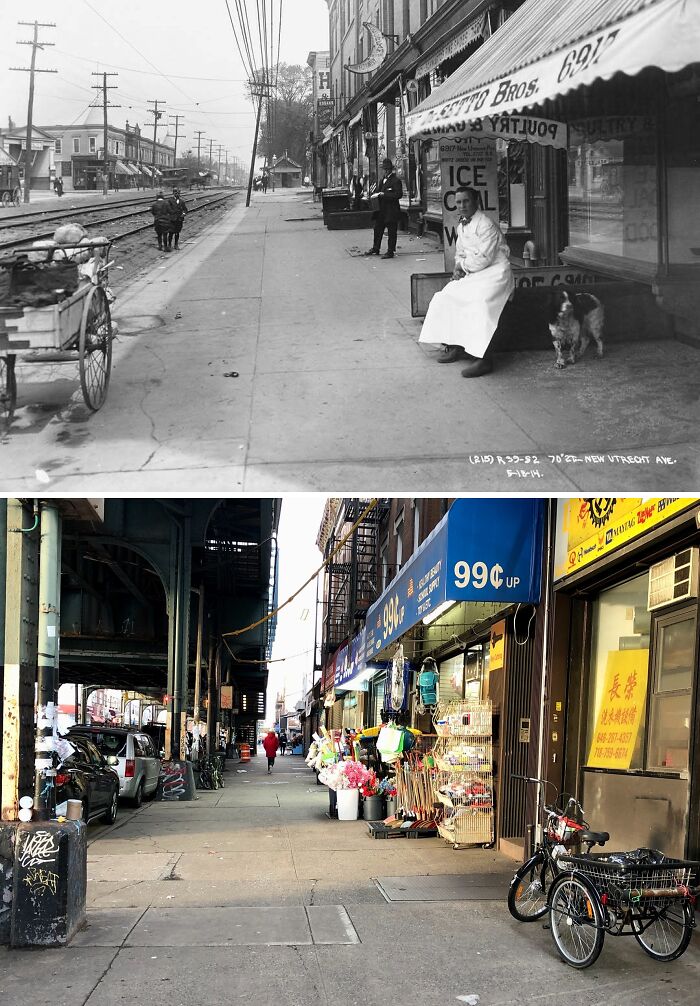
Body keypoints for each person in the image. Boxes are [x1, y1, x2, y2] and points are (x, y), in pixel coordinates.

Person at [418, 186, 514, 377]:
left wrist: (462, 267)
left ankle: (484, 359)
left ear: (476, 202)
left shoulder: (486, 224)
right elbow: (460, 252)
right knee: (445, 297)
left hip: (495, 273)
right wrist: (457, 269)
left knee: (481, 304)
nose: (462, 206)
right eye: (459, 202)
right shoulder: (462, 225)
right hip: (475, 273)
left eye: (466, 201)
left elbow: (484, 258)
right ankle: (455, 345)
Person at [365, 158, 403, 259]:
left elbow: (398, 194)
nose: (385, 171)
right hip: (381, 211)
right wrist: (375, 195)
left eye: (386, 169)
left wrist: (384, 194)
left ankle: (390, 251)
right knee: (377, 229)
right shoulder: (382, 180)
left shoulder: (396, 181)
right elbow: (378, 191)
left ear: (390, 170)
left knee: (391, 232)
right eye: (384, 169)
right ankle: (375, 248)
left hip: (391, 211)